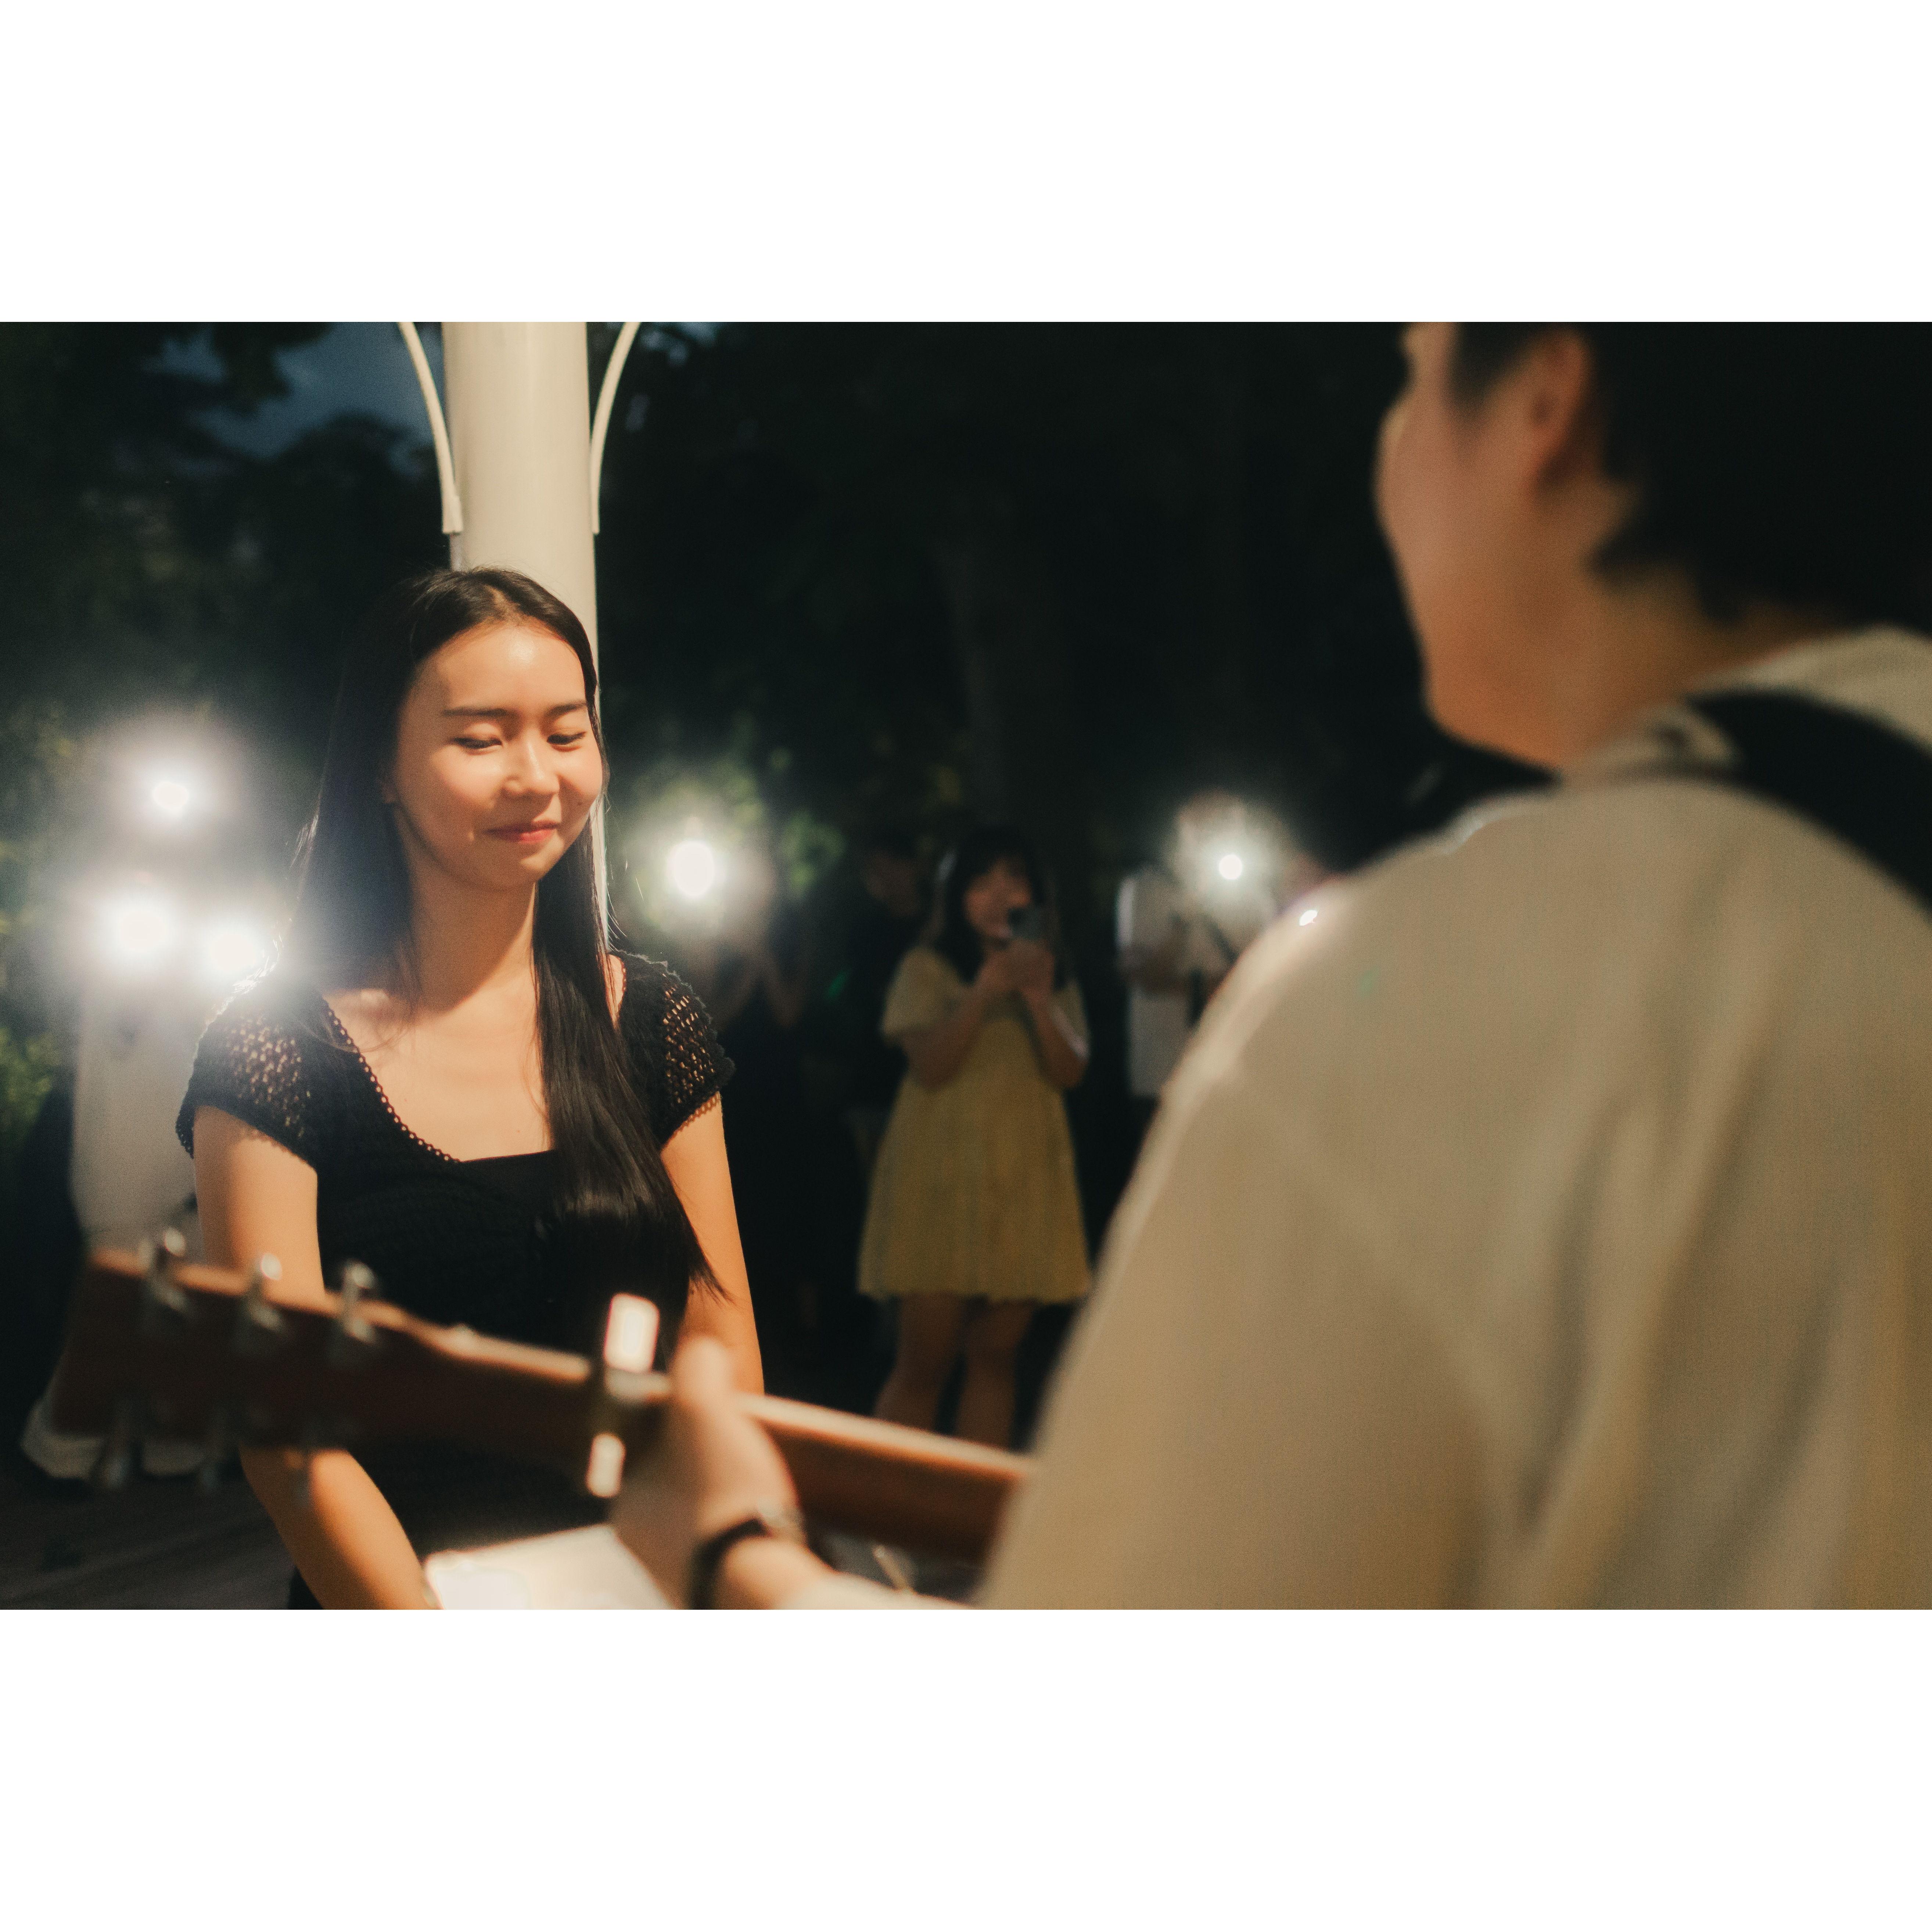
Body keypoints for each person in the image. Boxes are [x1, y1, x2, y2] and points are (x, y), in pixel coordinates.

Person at [613, 323, 1932, 1608]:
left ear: (1547, 399)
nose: (1389, 451)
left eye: (1411, 377)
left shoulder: (1456, 985)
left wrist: (733, 1551)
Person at [179, 567, 761, 1609]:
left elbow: (721, 1351)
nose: (536, 776)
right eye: (482, 739)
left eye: (567, 733)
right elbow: (289, 1437)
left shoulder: (648, 1020)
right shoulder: (278, 1049)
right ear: (380, 768)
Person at [856, 826, 1089, 1449]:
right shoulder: (927, 967)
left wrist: (1036, 998)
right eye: (981, 880)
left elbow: (1070, 1070)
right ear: (955, 895)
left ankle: (968, 1503)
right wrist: (984, 991)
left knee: (996, 1358)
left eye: (1014, 878)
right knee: (924, 1361)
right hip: (940, 1179)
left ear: (1036, 894)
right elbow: (931, 1065)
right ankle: (883, 1500)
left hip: (1023, 1179)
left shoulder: (1052, 973)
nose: (999, 894)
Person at [1116, 792, 1317, 1133]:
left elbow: (1265, 978)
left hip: (1237, 1073)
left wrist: (1194, 986)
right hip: (1164, 1073)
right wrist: (1187, 912)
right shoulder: (1146, 888)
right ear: (1183, 828)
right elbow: (1146, 977)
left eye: (1228, 824)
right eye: (1207, 825)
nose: (1218, 834)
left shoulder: (1253, 896)